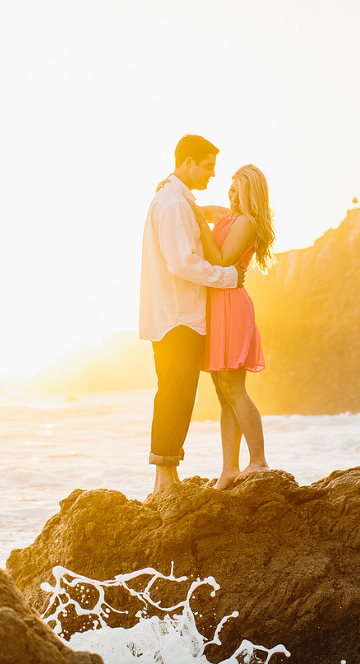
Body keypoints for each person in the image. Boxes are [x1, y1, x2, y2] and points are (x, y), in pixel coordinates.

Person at [139, 135, 243, 495]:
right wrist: (227, 277)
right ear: (188, 164)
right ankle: (164, 480)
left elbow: (193, 226)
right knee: (175, 394)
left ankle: (165, 477)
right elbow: (183, 263)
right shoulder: (173, 205)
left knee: (175, 393)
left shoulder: (177, 199)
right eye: (208, 167)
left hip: (174, 314)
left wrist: (215, 213)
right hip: (178, 316)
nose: (212, 175)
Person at [189, 164, 275, 490]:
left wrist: (199, 223)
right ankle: (229, 469)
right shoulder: (228, 215)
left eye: (237, 187)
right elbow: (206, 210)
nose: (231, 192)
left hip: (230, 306)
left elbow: (222, 260)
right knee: (224, 395)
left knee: (235, 389)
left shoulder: (246, 223)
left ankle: (259, 461)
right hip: (216, 305)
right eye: (230, 186)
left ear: (249, 191)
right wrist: (177, 194)